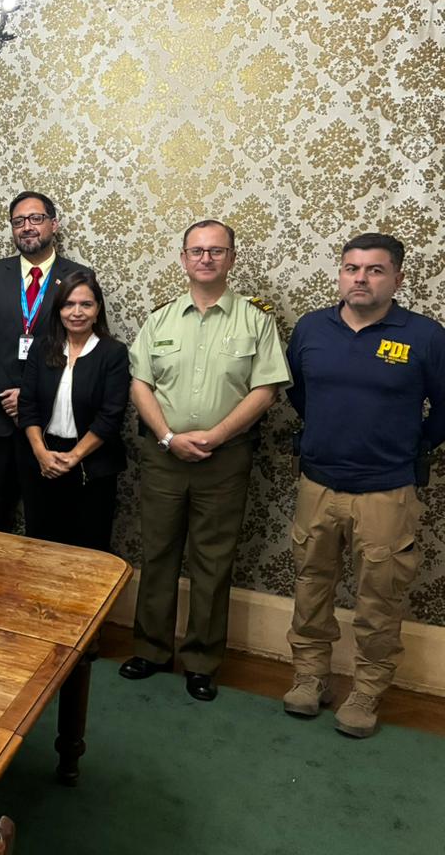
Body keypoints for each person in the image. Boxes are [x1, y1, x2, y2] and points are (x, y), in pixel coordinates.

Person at [282, 233, 445, 737]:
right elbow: (298, 394)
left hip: (386, 490)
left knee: (379, 598)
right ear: (340, 274)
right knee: (311, 587)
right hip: (318, 484)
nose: (361, 278)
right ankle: (310, 677)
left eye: (375, 270)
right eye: (351, 268)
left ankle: (367, 690)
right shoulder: (312, 328)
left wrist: (409, 445)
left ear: (397, 278)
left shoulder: (425, 336)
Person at [121, 219, 290, 702]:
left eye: (216, 251)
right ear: (183, 258)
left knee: (213, 560)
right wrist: (168, 436)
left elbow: (266, 389)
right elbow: (140, 384)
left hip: (225, 458)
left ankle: (201, 660)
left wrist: (215, 436)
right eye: (197, 251)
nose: (206, 258)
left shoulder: (255, 320)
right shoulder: (161, 318)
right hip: (164, 456)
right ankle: (152, 649)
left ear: (231, 258)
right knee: (157, 553)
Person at [0, 191, 89, 533]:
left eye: (36, 218)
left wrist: (29, 398)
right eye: (18, 221)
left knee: (45, 518)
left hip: (49, 419)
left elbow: (79, 344)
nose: (27, 227)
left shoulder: (78, 276)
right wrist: (6, 394)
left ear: (54, 224)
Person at [17, 271, 129, 551]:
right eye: (68, 304)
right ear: (59, 309)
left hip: (92, 465)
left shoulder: (113, 353)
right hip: (42, 461)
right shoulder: (42, 348)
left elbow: (110, 416)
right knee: (41, 546)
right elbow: (27, 405)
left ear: (98, 309)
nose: (76, 312)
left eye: (86, 304)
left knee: (87, 550)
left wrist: (73, 457)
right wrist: (41, 453)